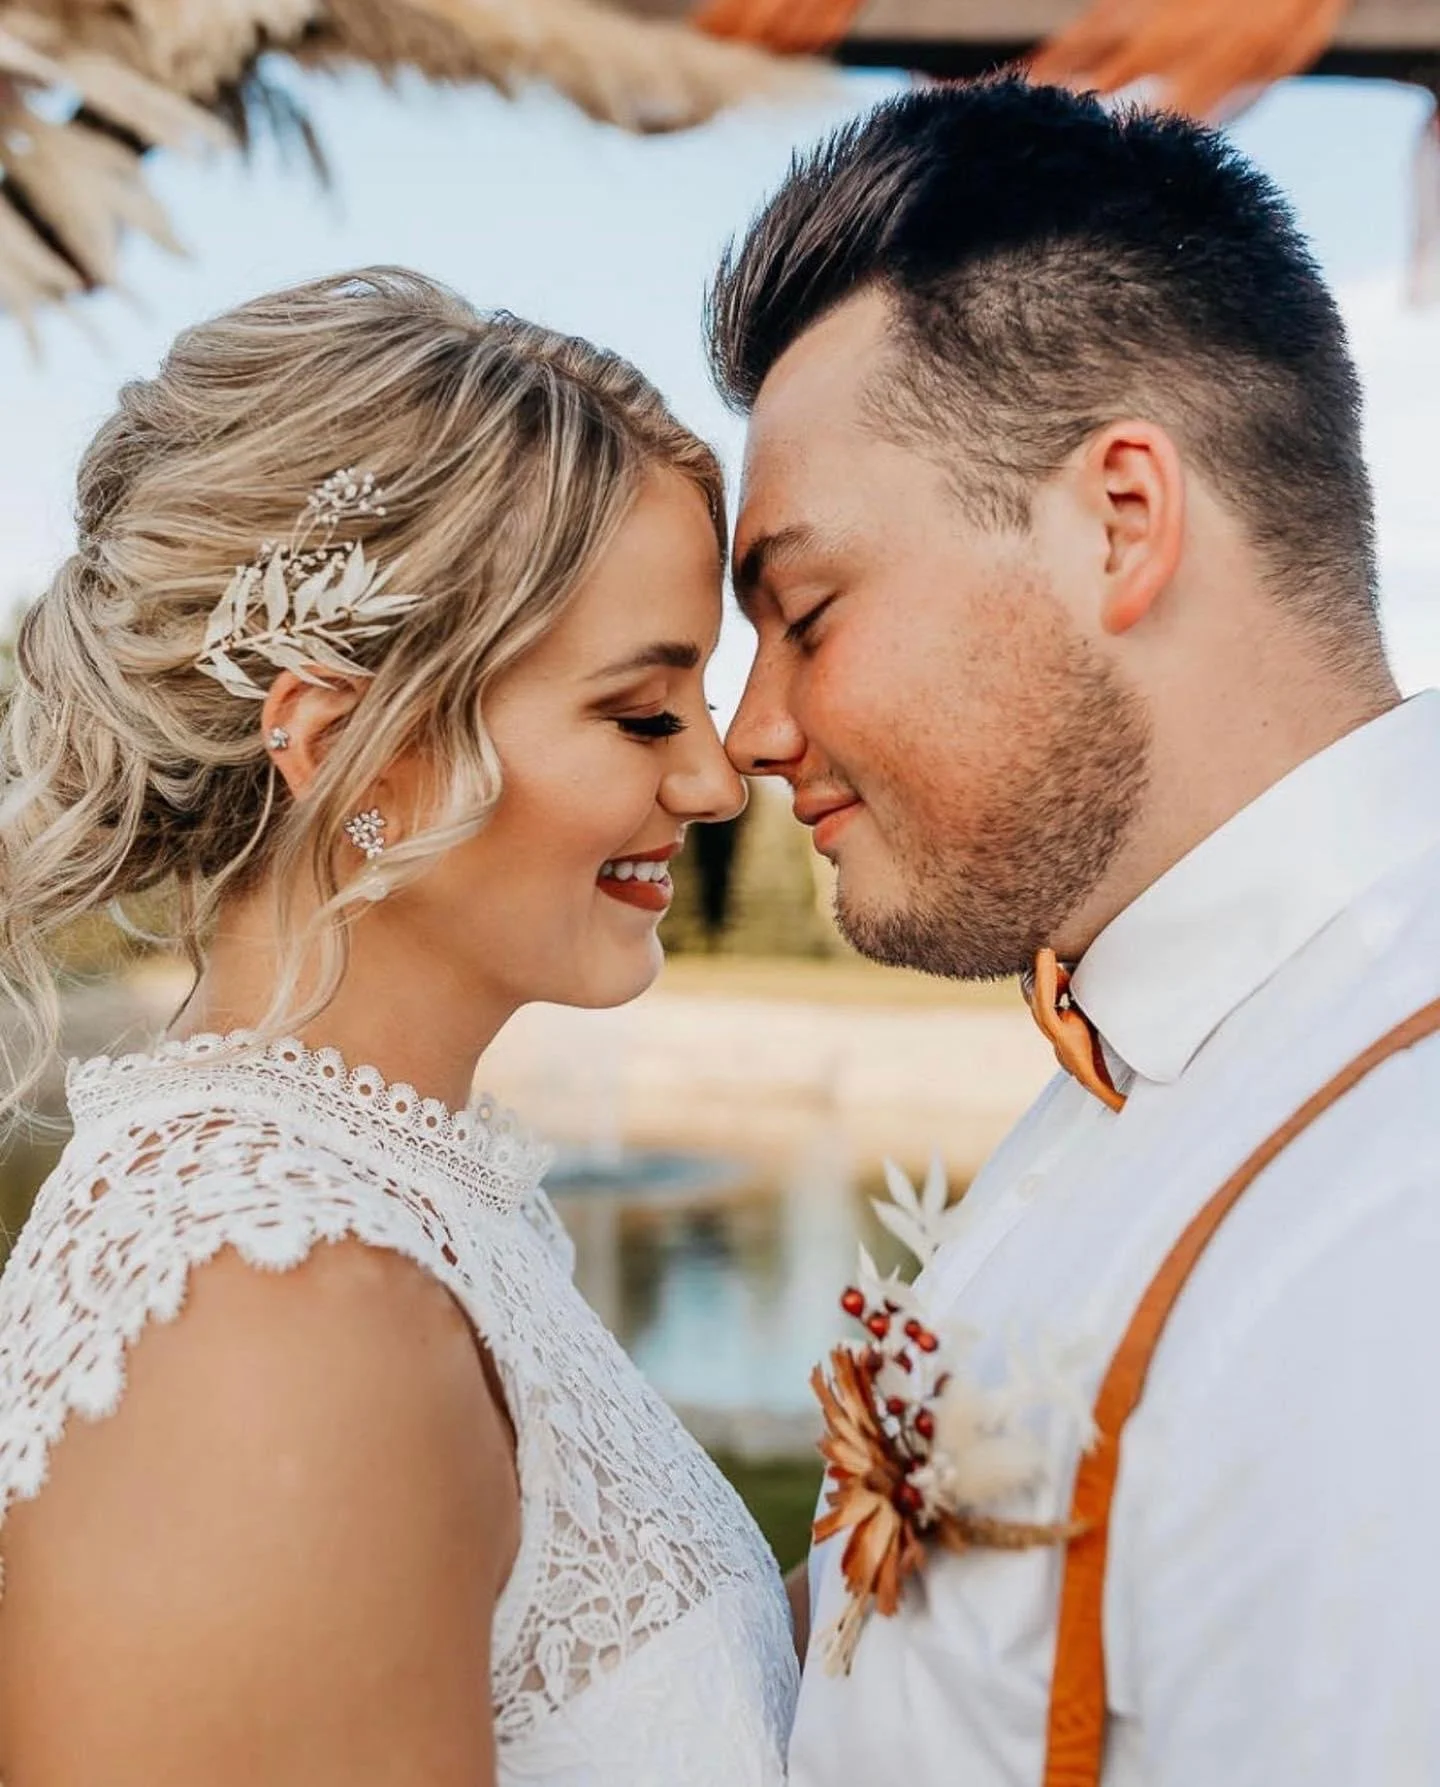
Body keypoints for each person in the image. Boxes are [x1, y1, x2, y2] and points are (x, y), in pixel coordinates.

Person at [710, 77, 1440, 1786]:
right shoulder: (1148, 1068)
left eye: (805, 614)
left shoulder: (1403, 1208)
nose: (749, 732)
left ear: (1121, 520)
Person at [0, 267, 797, 1786]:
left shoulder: (396, 1223)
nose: (712, 782)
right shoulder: (279, 1310)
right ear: (348, 748)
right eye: (642, 714)